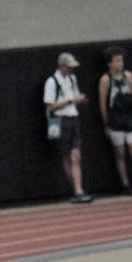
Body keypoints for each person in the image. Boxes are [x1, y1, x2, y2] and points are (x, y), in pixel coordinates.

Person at [44, 52, 93, 203]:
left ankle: (79, 189)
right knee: (67, 155)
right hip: (59, 120)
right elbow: (51, 106)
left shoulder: (72, 79)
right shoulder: (52, 82)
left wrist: (79, 100)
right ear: (62, 66)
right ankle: (76, 189)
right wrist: (71, 100)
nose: (72, 70)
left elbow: (75, 99)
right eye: (69, 67)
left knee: (75, 155)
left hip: (73, 118)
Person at [98, 46, 132, 195]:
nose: (120, 63)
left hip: (130, 117)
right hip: (116, 119)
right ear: (110, 64)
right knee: (120, 153)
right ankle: (125, 184)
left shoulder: (128, 76)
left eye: (121, 60)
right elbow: (103, 102)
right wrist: (106, 123)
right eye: (117, 61)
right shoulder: (106, 79)